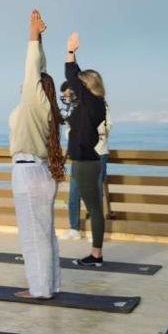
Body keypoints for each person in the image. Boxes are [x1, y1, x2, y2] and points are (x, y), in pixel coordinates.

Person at [8, 10, 67, 299]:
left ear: (36, 90)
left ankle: (40, 289)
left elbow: (32, 70)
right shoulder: (48, 108)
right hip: (42, 173)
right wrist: (40, 38)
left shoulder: (33, 103)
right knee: (46, 233)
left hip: (29, 173)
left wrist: (32, 35)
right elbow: (39, 71)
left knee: (34, 236)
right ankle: (51, 285)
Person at [64, 32, 108, 267]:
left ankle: (96, 255)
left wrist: (71, 51)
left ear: (86, 86)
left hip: (85, 163)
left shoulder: (90, 102)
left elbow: (71, 74)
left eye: (80, 84)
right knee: (94, 207)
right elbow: (74, 77)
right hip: (89, 161)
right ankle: (96, 253)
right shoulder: (97, 103)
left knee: (93, 208)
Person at [61, 84, 112, 241]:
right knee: (74, 193)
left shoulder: (99, 104)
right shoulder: (72, 110)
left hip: (97, 153)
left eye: (69, 95)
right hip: (78, 155)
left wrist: (88, 134)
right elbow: (68, 132)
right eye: (65, 96)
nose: (67, 99)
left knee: (96, 193)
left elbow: (107, 126)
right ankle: (74, 229)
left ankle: (97, 232)